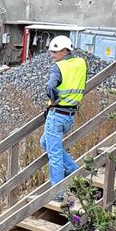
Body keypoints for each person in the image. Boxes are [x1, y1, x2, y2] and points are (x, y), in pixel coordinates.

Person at [41, 35, 87, 201]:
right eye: (52, 51)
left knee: (54, 155)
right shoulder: (80, 63)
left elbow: (50, 87)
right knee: (44, 143)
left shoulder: (58, 67)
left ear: (66, 50)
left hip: (57, 114)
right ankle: (75, 172)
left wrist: (53, 100)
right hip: (70, 115)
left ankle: (58, 193)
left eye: (56, 51)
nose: (52, 54)